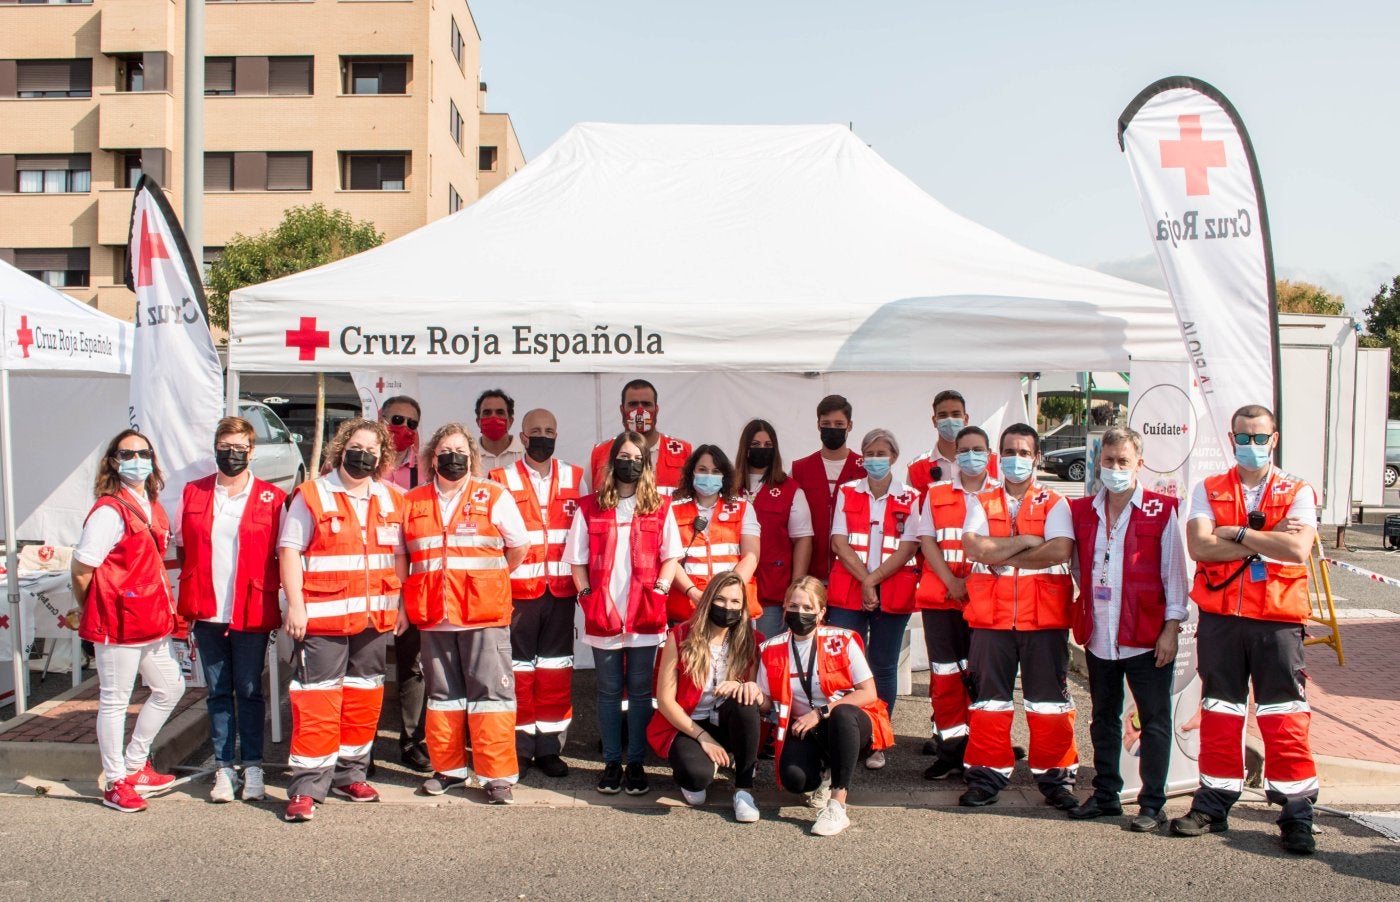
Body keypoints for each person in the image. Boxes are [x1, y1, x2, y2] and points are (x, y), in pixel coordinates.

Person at [1171, 404, 1320, 855]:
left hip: (1277, 623)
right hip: (1221, 623)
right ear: (1231, 439)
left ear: (1274, 439)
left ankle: (1296, 813)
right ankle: (1213, 804)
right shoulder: (1209, 488)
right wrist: (1262, 536)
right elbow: (1199, 544)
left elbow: (1296, 549)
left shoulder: (1298, 489)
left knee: (1284, 718)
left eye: (1260, 437)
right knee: (1220, 713)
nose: (1251, 445)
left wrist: (1233, 533)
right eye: (1243, 437)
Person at [278, 418, 408, 822]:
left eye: (372, 449)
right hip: (322, 619)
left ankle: (350, 773)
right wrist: (295, 605)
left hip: (374, 618)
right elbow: (289, 551)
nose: (363, 453)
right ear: (341, 447)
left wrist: (402, 605)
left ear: (382, 457)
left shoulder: (393, 498)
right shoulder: (312, 494)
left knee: (364, 696)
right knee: (317, 699)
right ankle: (308, 785)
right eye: (356, 445)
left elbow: (400, 559)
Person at [1066, 427, 1188, 831]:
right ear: (1098, 462)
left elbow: (1174, 576)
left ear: (1139, 464)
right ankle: (1105, 796)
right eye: (1108, 461)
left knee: (1154, 720)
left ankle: (1152, 804)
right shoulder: (1082, 510)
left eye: (1123, 461)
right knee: (1103, 718)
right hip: (1100, 636)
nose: (1115, 468)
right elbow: (1077, 567)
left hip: (1147, 636)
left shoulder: (1161, 509)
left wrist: (1171, 628)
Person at [404, 423, 530, 802]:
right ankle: (449, 770)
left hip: (483, 614)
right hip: (433, 614)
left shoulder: (494, 495)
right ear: (432, 457)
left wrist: (490, 580)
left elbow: (519, 546)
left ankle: (498, 777)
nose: (452, 457)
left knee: (491, 696)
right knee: (443, 698)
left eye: (460, 450)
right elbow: (404, 556)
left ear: (471, 457)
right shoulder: (412, 500)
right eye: (445, 450)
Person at [959, 423, 1077, 810]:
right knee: (989, 703)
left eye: (1024, 452)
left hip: (1043, 620)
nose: (1016, 459)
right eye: (1009, 451)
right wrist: (1028, 542)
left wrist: (1002, 551)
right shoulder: (981, 500)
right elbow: (975, 549)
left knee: (1049, 706)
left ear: (1037, 457)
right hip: (991, 621)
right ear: (999, 455)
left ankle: (1056, 779)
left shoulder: (1056, 502)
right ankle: (986, 776)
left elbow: (1058, 551)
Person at [71, 430, 185, 813]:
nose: (138, 459)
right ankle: (116, 781)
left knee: (170, 687)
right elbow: (83, 568)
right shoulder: (109, 510)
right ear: (114, 461)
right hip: (118, 622)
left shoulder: (150, 503)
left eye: (144, 453)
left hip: (150, 619)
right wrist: (92, 609)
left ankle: (135, 764)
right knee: (115, 700)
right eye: (128, 453)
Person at [564, 430, 683, 795]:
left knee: (640, 689)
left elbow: (671, 555)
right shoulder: (589, 507)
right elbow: (576, 559)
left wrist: (661, 590)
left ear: (645, 465)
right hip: (604, 613)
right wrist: (587, 596)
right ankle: (612, 762)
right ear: (610, 462)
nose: (628, 463)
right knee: (608, 690)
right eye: (623, 457)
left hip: (645, 613)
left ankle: (636, 762)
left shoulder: (661, 507)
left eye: (636, 458)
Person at [175, 416, 286, 804]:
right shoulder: (193, 493)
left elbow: (283, 555)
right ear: (215, 448)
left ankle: (253, 765)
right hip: (207, 610)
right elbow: (182, 548)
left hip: (252, 609)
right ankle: (224, 768)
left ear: (252, 452)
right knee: (219, 692)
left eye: (240, 448)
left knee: (250, 690)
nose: (232, 454)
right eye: (226, 446)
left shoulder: (273, 498)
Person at [488, 408, 584, 779]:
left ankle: (550, 748)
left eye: (550, 430)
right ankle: (520, 748)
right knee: (517, 674)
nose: (543, 436)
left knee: (556, 672)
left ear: (557, 434)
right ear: (522, 438)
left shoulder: (576, 477)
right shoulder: (500, 478)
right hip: (517, 594)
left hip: (561, 593)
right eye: (535, 431)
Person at [758, 577, 893, 837]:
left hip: (850, 723)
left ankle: (837, 805)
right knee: (796, 781)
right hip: (805, 729)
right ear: (785, 607)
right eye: (794, 606)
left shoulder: (843, 640)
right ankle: (825, 770)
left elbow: (868, 693)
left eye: (808, 608)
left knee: (841, 713)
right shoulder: (770, 649)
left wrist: (820, 712)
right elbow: (765, 704)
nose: (800, 613)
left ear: (821, 612)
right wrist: (753, 694)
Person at [827, 428, 920, 769]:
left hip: (893, 591)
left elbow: (910, 546)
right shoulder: (848, 491)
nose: (875, 459)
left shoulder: (911, 497)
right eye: (870, 453)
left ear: (894, 457)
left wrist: (874, 581)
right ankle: (839, 732)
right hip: (848, 590)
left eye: (882, 453)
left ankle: (877, 738)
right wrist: (866, 581)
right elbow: (839, 541)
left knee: (882, 665)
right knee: (840, 664)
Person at [914, 425, 999, 780]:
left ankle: (984, 748)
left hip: (985, 600)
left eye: (978, 449)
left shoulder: (1003, 494)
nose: (970, 456)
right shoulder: (935, 493)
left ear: (989, 452)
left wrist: (971, 583)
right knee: (946, 678)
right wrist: (952, 581)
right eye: (964, 450)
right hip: (942, 598)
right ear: (955, 454)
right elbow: (927, 541)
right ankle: (950, 751)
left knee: (986, 680)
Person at [648, 571, 764, 823]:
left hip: (728, 721)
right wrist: (704, 738)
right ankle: (710, 759)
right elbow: (665, 701)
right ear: (709, 599)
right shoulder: (680, 636)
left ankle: (744, 790)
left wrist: (742, 685)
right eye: (720, 600)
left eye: (735, 602)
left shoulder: (752, 641)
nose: (727, 607)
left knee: (745, 700)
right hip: (689, 724)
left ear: (743, 606)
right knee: (695, 781)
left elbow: (761, 699)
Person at [378, 394, 430, 771]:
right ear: (380, 419)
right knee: (362, 669)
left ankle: (413, 742)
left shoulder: (425, 470)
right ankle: (357, 749)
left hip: (408, 583)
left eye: (412, 423)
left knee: (414, 666)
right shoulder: (355, 463)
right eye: (398, 419)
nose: (404, 429)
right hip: (363, 584)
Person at [733, 418, 814, 639]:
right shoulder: (728, 486)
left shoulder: (790, 489)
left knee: (766, 656)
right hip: (730, 591)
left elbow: (803, 540)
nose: (762, 450)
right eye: (755, 444)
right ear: (744, 447)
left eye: (768, 445)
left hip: (771, 593)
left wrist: (796, 587)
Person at [668, 445, 760, 624]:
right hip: (688, 607)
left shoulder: (743, 508)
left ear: (724, 476)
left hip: (731, 608)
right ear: (692, 472)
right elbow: (670, 559)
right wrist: (693, 592)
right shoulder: (673, 510)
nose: (709, 475)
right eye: (702, 470)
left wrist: (727, 594)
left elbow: (751, 557)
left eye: (716, 471)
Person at [790, 394, 866, 583]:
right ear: (818, 425)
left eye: (839, 424)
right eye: (826, 423)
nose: (832, 429)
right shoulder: (800, 469)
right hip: (809, 575)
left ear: (850, 425)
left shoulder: (864, 468)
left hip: (853, 574)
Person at [588, 380, 692, 493]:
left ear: (656, 410)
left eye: (646, 404)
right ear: (622, 410)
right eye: (633, 404)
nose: (640, 411)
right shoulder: (600, 452)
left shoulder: (682, 451)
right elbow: (587, 500)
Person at [906, 389, 1000, 503]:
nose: (949, 419)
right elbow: (913, 514)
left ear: (966, 419)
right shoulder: (917, 469)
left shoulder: (994, 461)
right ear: (934, 421)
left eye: (955, 414)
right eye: (943, 415)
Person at [476, 388, 526, 475]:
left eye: (500, 412)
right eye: (487, 413)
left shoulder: (526, 454)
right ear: (478, 422)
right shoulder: (468, 457)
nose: (493, 417)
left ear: (510, 421)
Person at [381, 395, 423, 491]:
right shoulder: (366, 462)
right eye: (397, 419)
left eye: (411, 423)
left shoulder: (426, 468)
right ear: (381, 421)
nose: (404, 426)